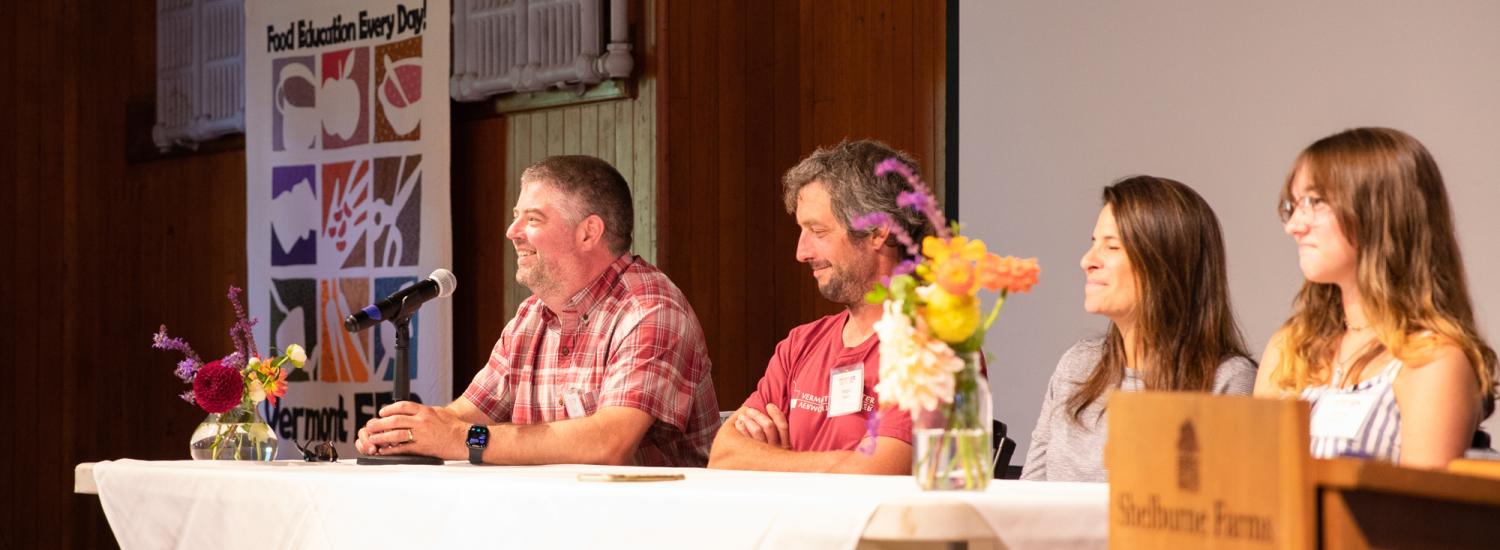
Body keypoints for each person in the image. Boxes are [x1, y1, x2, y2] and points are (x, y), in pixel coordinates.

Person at [355, 155, 720, 466]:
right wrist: (406, 431)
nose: (511, 231)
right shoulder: (531, 317)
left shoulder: (649, 309)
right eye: (516, 216)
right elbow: (462, 415)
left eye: (532, 219)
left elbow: (610, 442)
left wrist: (460, 440)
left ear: (588, 233)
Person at [1253, 127, 1496, 469]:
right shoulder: (1288, 348)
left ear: (1379, 213)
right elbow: (1250, 487)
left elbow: (1423, 515)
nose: (1294, 225)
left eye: (1315, 202)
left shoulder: (1431, 361)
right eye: (1293, 205)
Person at [707, 140, 936, 474]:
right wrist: (840, 463)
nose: (801, 253)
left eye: (818, 231)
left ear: (876, 232)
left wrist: (772, 462)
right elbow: (724, 455)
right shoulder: (799, 345)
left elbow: (876, 475)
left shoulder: (931, 344)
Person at [1023, 176, 1256, 482]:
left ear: (1164, 264)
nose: (1087, 261)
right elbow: (1031, 493)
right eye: (1093, 243)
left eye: (1112, 247)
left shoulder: (1227, 381)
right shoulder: (1076, 366)